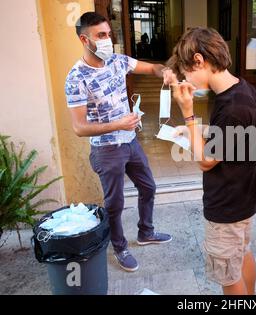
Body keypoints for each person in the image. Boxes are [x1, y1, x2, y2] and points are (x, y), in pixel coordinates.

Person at [65, 12, 172, 273]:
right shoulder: (76, 78)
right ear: (84, 39)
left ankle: (145, 232)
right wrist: (118, 124)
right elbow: (79, 128)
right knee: (115, 203)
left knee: (148, 187)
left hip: (131, 142)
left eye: (108, 34)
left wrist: (165, 71)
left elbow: (151, 67)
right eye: (101, 36)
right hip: (107, 150)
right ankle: (120, 246)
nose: (107, 40)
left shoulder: (117, 61)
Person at [166, 27, 256, 295]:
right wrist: (196, 131)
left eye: (187, 74)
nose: (189, 82)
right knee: (241, 255)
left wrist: (188, 114)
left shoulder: (231, 106)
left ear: (199, 61)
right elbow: (231, 134)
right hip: (244, 199)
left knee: (227, 275)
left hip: (227, 204)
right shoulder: (242, 90)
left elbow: (206, 161)